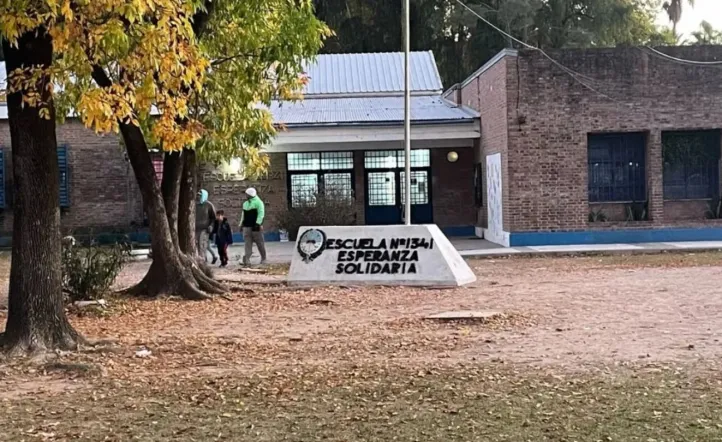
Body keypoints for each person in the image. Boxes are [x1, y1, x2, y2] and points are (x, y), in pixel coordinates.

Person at [239, 187, 267, 266]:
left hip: (255, 227)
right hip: (246, 227)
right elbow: (243, 215)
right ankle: (247, 260)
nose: (245, 195)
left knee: (260, 243)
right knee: (247, 244)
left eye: (246, 194)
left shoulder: (259, 202)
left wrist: (258, 223)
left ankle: (264, 258)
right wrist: (241, 224)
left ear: (250, 195)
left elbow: (261, 214)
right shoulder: (245, 204)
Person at [196, 189, 218, 264]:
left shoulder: (209, 205)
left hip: (205, 229)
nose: (198, 196)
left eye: (200, 195)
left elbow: (213, 218)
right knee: (196, 246)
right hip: (195, 229)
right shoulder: (194, 205)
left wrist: (211, 226)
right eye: (197, 195)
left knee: (202, 245)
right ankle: (202, 260)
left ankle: (203, 261)